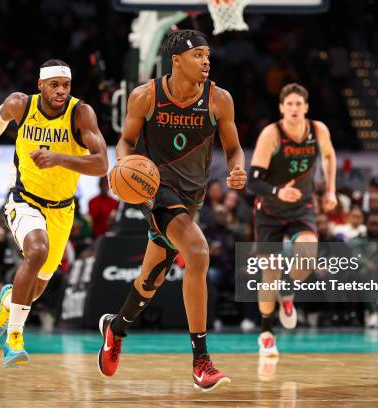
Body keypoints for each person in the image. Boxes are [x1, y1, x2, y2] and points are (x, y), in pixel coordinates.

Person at [97, 30, 246, 392]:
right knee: (197, 252)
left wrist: (237, 168)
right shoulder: (145, 96)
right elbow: (126, 140)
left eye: (208, 55)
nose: (206, 61)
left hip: (191, 198)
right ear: (176, 60)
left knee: (152, 279)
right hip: (155, 189)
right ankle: (201, 361)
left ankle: (115, 329)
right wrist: (123, 165)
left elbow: (234, 149)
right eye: (198, 55)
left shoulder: (219, 99)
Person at [0, 59, 108, 367]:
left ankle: (6, 303)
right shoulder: (21, 105)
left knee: (36, 288)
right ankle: (14, 337)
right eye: (54, 85)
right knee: (37, 250)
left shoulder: (81, 114)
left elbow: (101, 164)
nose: (60, 91)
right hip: (25, 201)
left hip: (63, 210)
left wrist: (59, 158)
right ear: (40, 85)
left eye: (65, 85)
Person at [247, 83, 337, 356]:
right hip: (269, 211)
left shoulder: (318, 130)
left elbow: (330, 156)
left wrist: (330, 189)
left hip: (301, 207)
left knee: (307, 258)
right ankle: (266, 332)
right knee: (268, 275)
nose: (295, 109)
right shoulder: (271, 134)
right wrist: (278, 191)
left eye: (299, 104)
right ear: (281, 108)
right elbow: (253, 181)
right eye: (290, 104)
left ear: (306, 108)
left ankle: (287, 289)